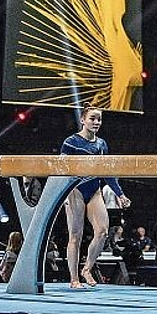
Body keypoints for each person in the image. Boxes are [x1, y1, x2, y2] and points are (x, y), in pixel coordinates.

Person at [61, 106, 132, 288]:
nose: (96, 122)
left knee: (102, 231)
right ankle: (74, 278)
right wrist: (62, 196)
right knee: (75, 235)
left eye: (99, 119)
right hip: (75, 190)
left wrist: (120, 194)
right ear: (83, 120)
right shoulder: (71, 142)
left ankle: (87, 269)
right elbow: (60, 170)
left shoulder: (101, 145)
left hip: (94, 190)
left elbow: (107, 172)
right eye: (92, 118)